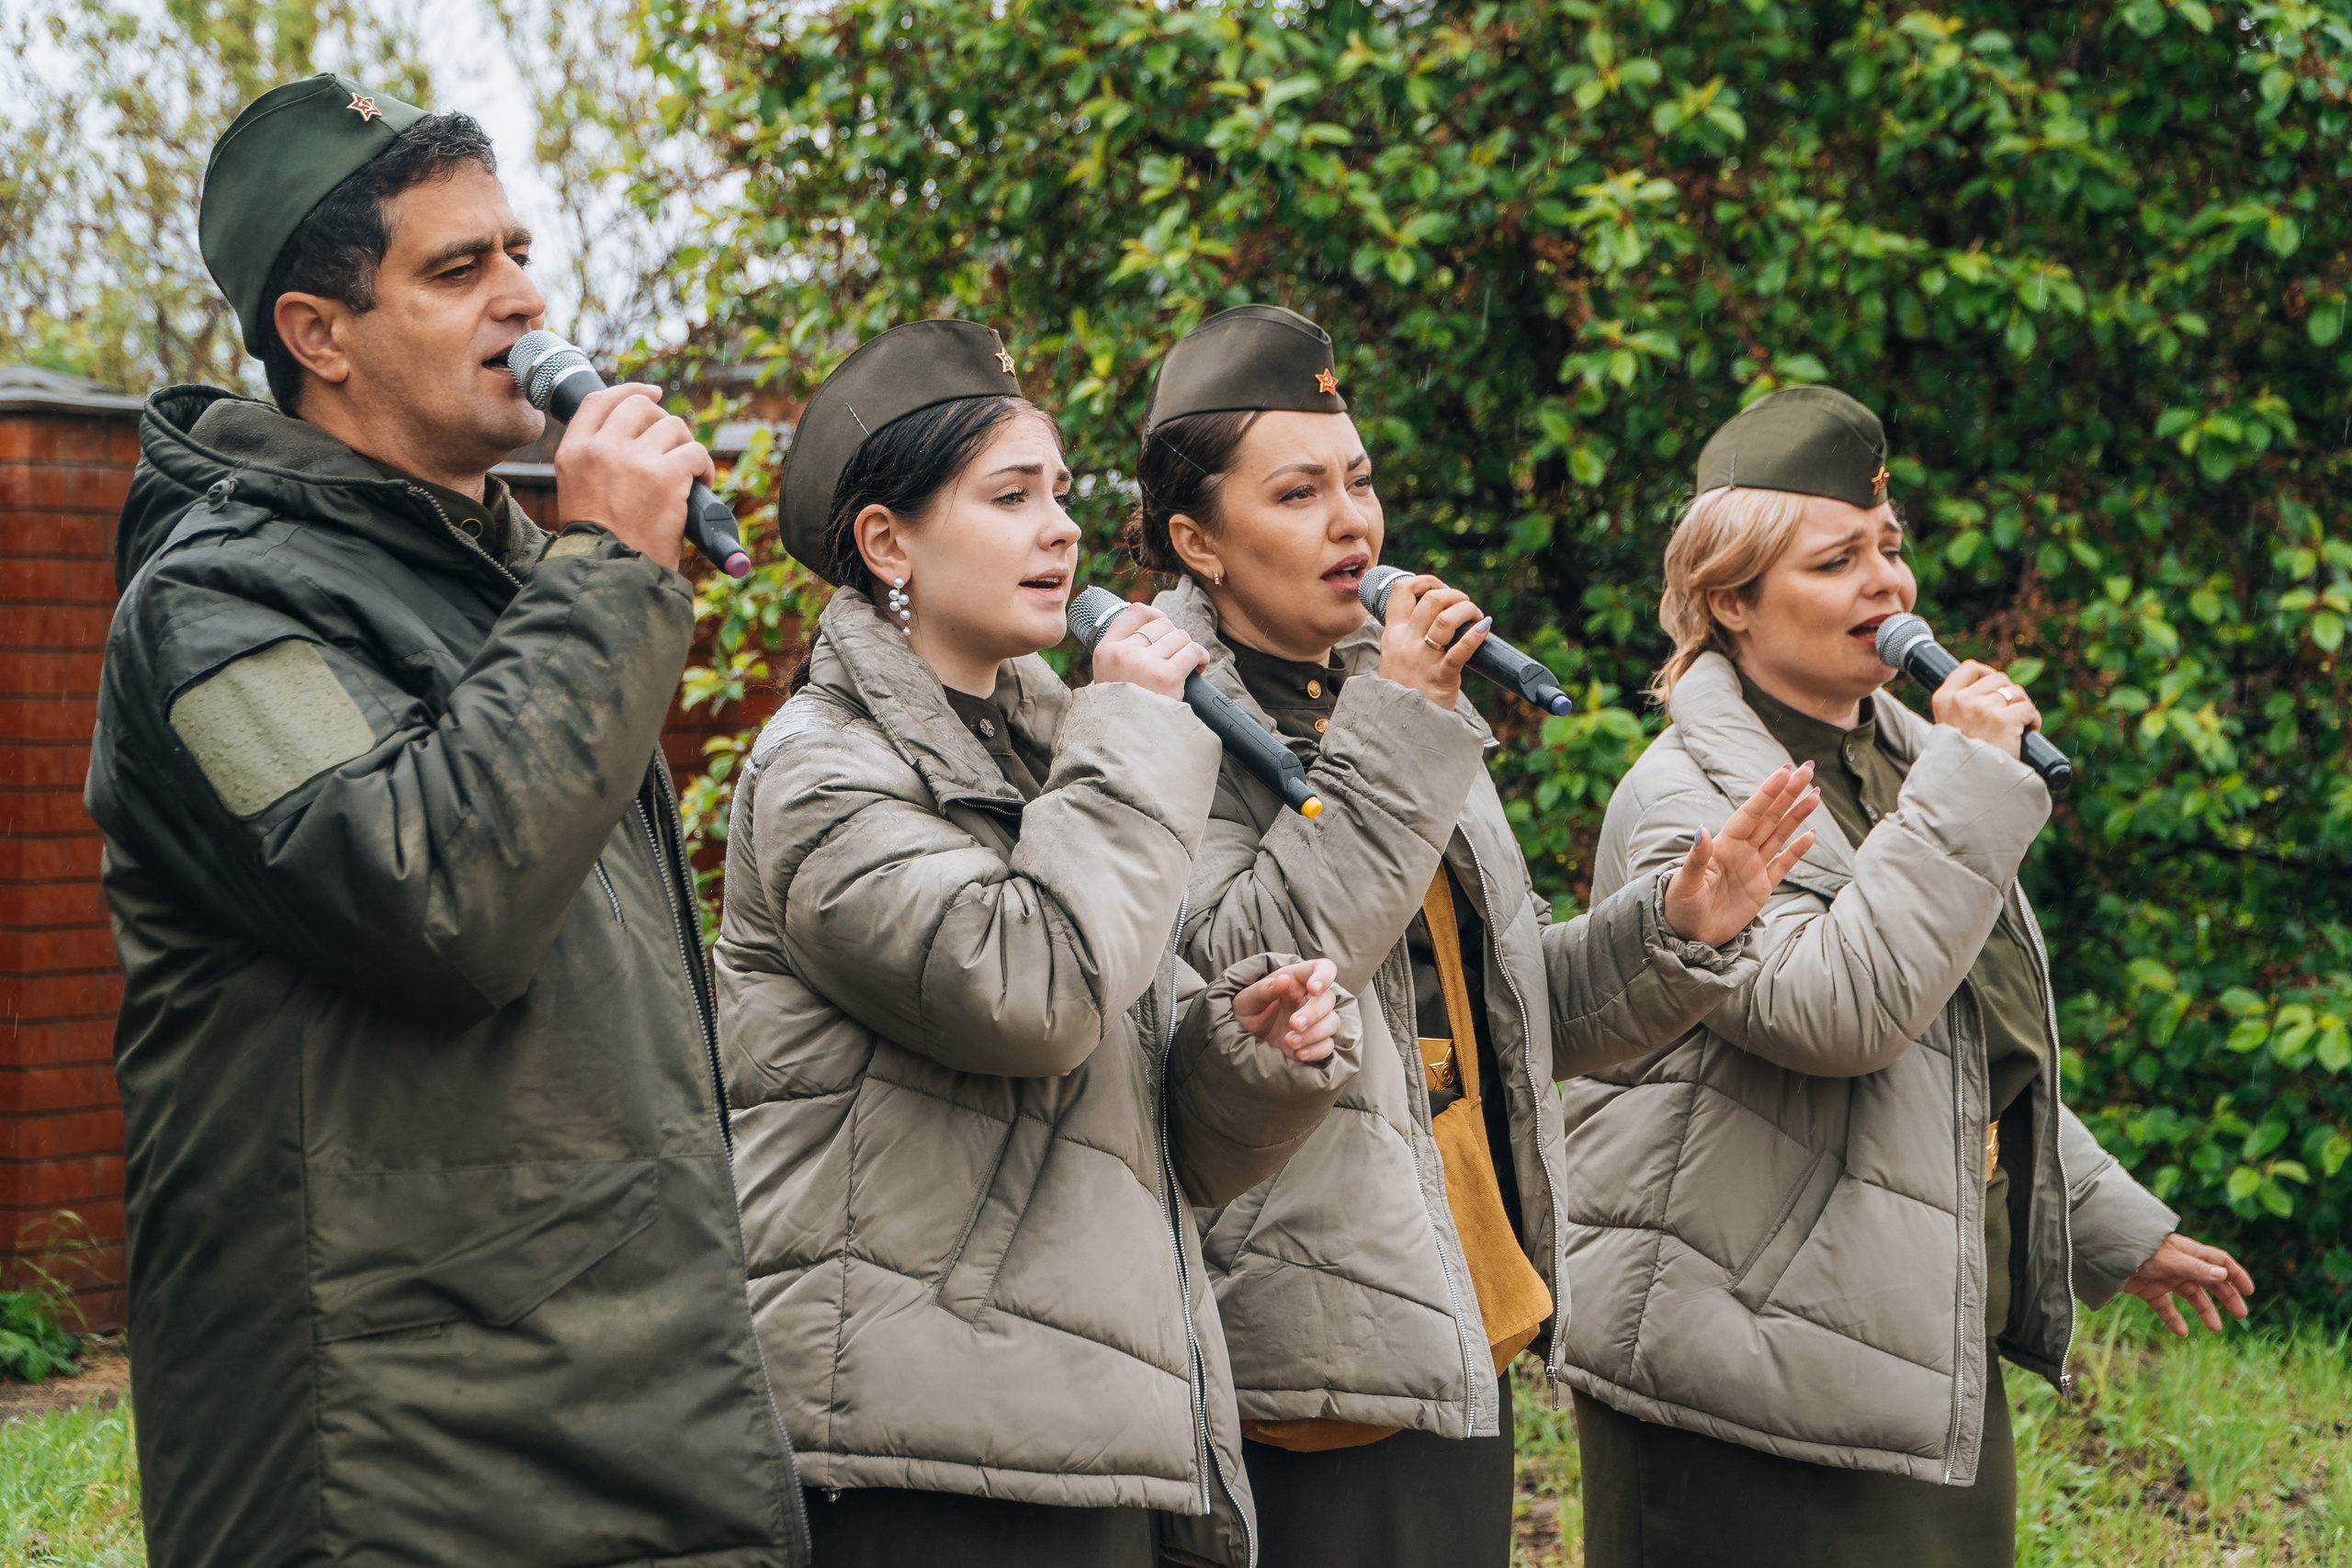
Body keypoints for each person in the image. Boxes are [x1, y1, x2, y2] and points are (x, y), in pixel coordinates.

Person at [84, 75, 807, 1568]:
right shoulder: (216, 608)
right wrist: (609, 565)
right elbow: (436, 897)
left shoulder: (508, 581)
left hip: (614, 1431)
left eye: (519, 252)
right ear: (318, 332)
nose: (526, 298)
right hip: (403, 1478)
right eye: (458, 268)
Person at [1119, 304, 1823, 1567]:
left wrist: (1673, 927)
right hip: (1298, 1352)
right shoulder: (1157, 716)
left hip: (1459, 1296)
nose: (1354, 521)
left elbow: (1501, 1012)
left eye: (1362, 480)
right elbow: (1259, 975)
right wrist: (1403, 713)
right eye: (1298, 491)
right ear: (1197, 540)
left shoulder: (1386, 694)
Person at [1562, 386, 2256, 1567]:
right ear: (1730, 599)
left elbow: (1963, 1038)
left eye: (1890, 549)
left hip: (1899, 1332)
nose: (1888, 586)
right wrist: (1970, 792)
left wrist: (2101, 1221)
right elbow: (1836, 1016)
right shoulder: (1688, 793)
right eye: (1838, 561)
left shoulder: (1909, 766)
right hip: (1732, 1364)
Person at [712, 318, 1367, 1568]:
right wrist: (1127, 721)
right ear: (886, 539)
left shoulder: (1058, 755)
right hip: (915, 1450)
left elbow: (1161, 1144)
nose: (1064, 526)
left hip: (1090, 1430)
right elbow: (1033, 994)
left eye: (1064, 493)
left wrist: (1249, 1046)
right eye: (1013, 495)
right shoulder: (820, 771)